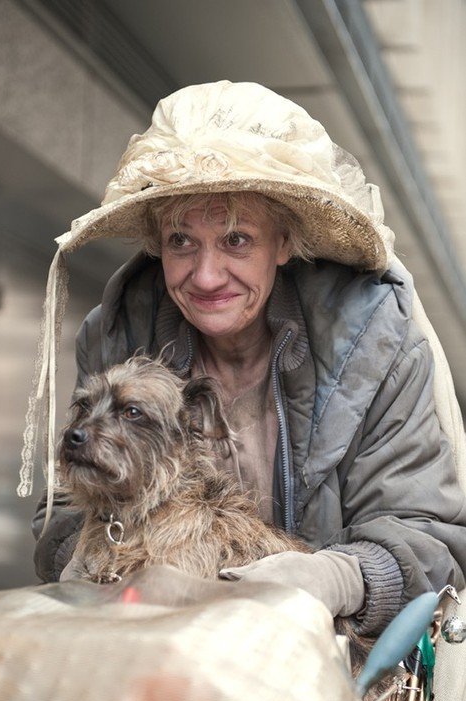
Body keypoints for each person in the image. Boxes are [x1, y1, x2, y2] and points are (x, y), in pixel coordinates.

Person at [27, 80, 466, 642]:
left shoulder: (372, 343)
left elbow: (427, 536)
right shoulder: (119, 330)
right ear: (159, 245)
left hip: (328, 662)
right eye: (182, 241)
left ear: (283, 243)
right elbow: (64, 502)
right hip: (152, 655)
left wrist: (335, 579)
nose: (206, 276)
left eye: (236, 240)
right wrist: (103, 566)